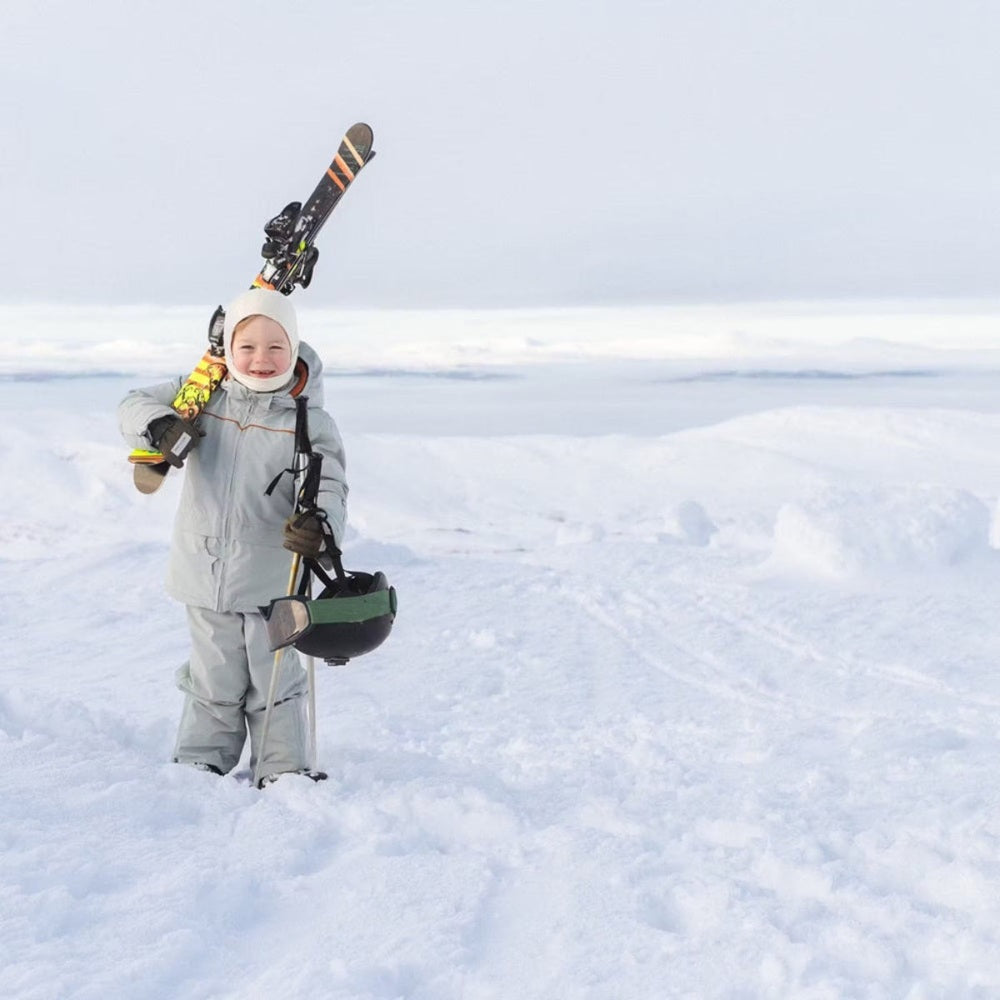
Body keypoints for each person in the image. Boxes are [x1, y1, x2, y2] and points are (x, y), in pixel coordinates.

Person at [118, 288, 347, 783]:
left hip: (274, 580)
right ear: (227, 350)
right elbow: (132, 405)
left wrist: (320, 526)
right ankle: (201, 764)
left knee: (275, 681)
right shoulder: (204, 397)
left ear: (294, 348)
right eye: (247, 346)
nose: (261, 359)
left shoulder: (307, 420)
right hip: (204, 574)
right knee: (212, 679)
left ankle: (283, 769)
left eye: (275, 346)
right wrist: (160, 425)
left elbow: (329, 484)